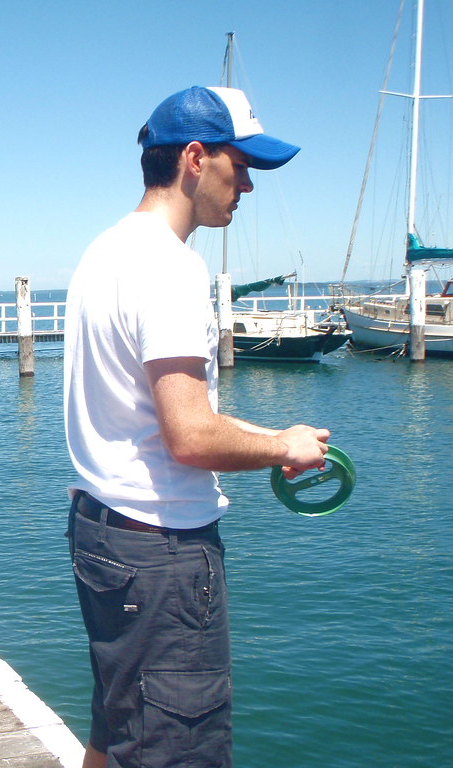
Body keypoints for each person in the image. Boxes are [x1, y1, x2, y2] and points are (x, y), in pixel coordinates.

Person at [63, 86, 330, 768]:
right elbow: (188, 436)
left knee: (118, 728)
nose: (246, 184)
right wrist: (281, 447)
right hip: (164, 558)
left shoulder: (105, 252)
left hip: (103, 533)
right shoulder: (171, 269)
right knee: (177, 751)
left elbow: (159, 415)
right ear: (193, 158)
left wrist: (272, 435)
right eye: (239, 165)